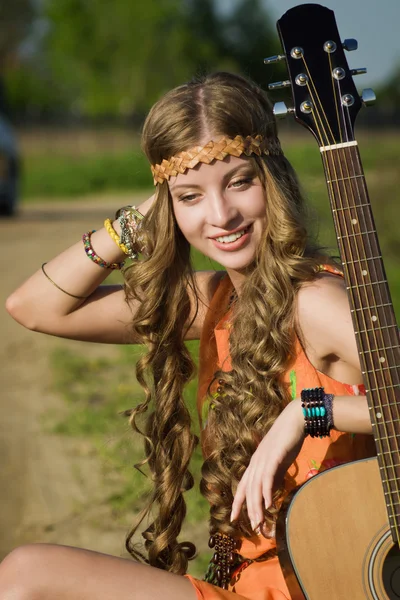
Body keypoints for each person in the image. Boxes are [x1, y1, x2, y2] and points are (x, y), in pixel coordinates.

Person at [2, 71, 375, 600]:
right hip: (243, 587)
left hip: (318, 586)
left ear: (273, 180)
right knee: (22, 575)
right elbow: (35, 307)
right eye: (192, 196)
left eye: (240, 181)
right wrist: (143, 218)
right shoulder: (216, 299)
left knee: (24, 576)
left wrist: (309, 412)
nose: (221, 215)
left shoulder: (316, 301)